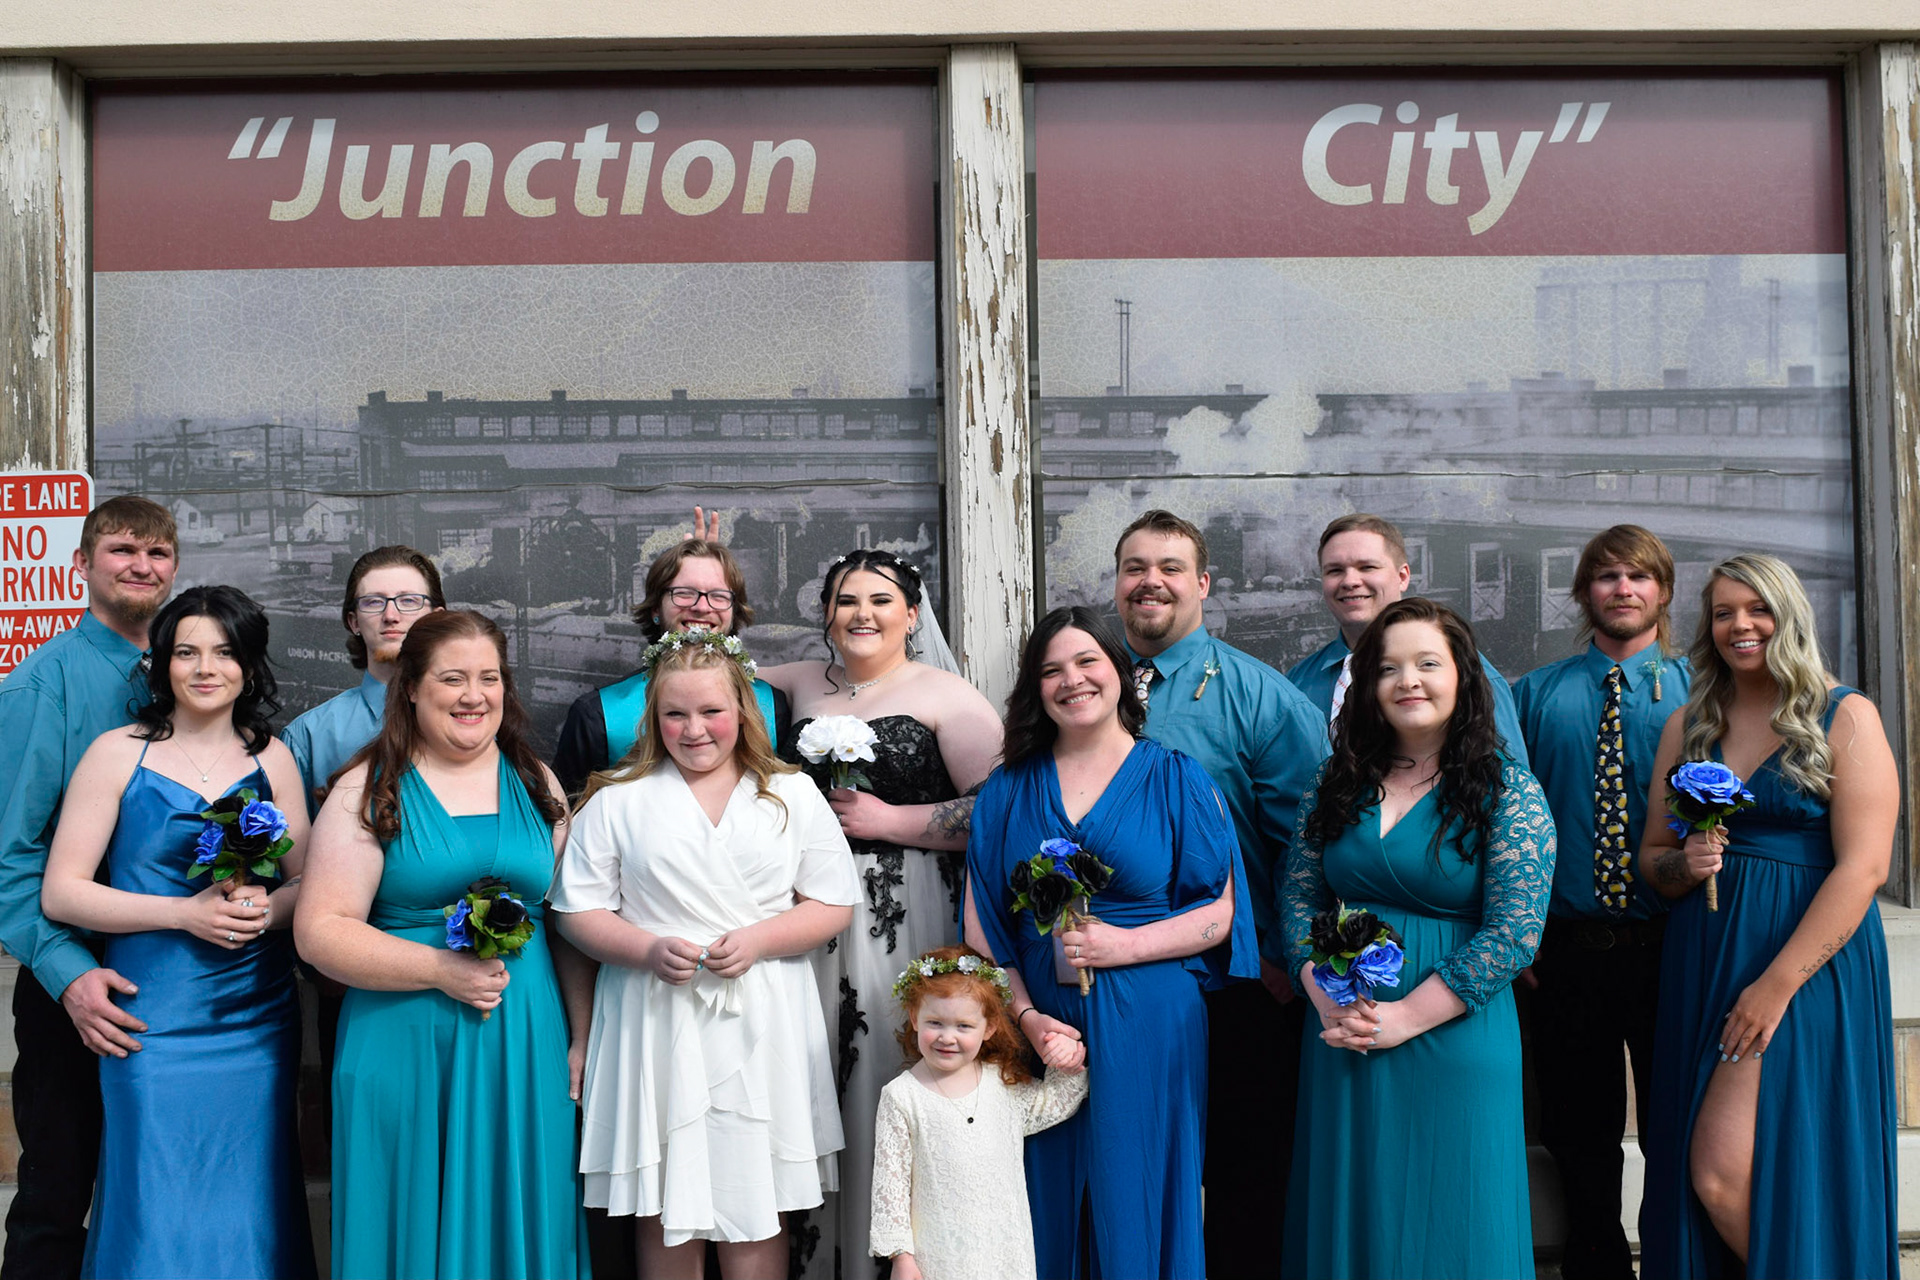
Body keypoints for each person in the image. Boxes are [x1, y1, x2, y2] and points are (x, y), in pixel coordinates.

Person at [549, 633, 859, 1278]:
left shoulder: (791, 793)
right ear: (653, 718)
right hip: (653, 1011)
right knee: (665, 1202)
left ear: (743, 710)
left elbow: (832, 903)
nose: (693, 730)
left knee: (756, 1197)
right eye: (675, 714)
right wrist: (644, 948)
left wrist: (760, 939)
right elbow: (576, 911)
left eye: (711, 711)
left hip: (763, 1010)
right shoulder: (617, 798)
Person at [295, 610, 589, 1280]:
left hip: (525, 1041)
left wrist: (580, 1034)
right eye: (452, 679)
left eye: (489, 678)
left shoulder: (537, 782)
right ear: (411, 689)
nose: (473, 695)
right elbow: (320, 931)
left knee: (521, 1214)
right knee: (412, 1222)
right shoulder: (368, 789)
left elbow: (563, 921)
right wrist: (438, 969)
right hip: (407, 1042)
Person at [966, 605, 1258, 1279]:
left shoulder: (1178, 778)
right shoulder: (1008, 788)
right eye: (1051, 670)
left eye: (1086, 661)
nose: (1071, 680)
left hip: (1151, 1021)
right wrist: (1028, 1019)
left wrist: (1125, 947)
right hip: (1043, 1030)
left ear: (1121, 672)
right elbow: (984, 929)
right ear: (1036, 688)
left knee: (1138, 1194)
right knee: (1043, 1203)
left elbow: (1219, 915)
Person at [40, 586, 313, 1280]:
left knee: (251, 1196)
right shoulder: (115, 754)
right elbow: (63, 891)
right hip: (151, 1014)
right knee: (151, 1193)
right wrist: (183, 914)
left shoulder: (273, 758)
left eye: (224, 652)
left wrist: (263, 912)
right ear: (162, 664)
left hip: (255, 1019)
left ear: (249, 665)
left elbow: (309, 888)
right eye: (187, 652)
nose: (205, 668)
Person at [1638, 553, 1897, 1279]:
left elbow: (1865, 868)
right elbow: (1652, 859)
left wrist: (1774, 988)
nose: (1740, 625)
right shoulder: (1689, 725)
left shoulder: (1846, 715)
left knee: (1721, 1171)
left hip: (1804, 968)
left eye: (1757, 609)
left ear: (1790, 617)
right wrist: (1685, 864)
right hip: (1705, 960)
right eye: (1723, 612)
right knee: (1713, 1176)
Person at [1281, 596, 1554, 1280]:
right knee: (1356, 1214)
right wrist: (1324, 996)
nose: (1408, 681)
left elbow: (1515, 933)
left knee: (1454, 1218)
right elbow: (1299, 899)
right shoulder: (1335, 782)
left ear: (1462, 677)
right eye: (1388, 668)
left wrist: (1404, 1017)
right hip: (1344, 1032)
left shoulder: (1508, 791)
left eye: (1428, 664)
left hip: (1453, 1034)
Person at [759, 547, 1003, 1278]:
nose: (861, 614)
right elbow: (706, 675)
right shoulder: (798, 682)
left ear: (911, 613)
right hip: (809, 912)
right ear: (825, 613)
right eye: (845, 600)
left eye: (879, 600)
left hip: (907, 908)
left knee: (888, 1069)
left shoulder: (948, 696)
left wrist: (890, 821)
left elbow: (997, 811)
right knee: (815, 1070)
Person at [1108, 509, 1326, 1276]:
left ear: (1203, 584)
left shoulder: (1260, 696)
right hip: (1112, 979)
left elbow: (1310, 842)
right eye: (1135, 568)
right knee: (1130, 1175)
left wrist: (1282, 960)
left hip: (1239, 982)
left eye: (1170, 568)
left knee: (1245, 1183)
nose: (1151, 582)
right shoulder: (1082, 687)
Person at [0, 494, 178, 1280]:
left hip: (177, 974)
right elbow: (9, 857)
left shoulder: (190, 676)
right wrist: (69, 977)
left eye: (157, 553)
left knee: (159, 1190)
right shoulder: (41, 686)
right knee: (57, 1193)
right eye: (122, 550)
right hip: (73, 980)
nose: (141, 566)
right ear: (81, 563)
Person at [1511, 525, 1690, 1280]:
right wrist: (1514, 939)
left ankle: (1679, 1264)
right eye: (1607, 575)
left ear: (1663, 591)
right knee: (1578, 1137)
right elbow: (1501, 823)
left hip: (1675, 949)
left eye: (1639, 576)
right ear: (1584, 591)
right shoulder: (1533, 696)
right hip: (1565, 956)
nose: (1623, 589)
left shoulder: (1703, 694)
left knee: (1679, 1127)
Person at [869, 945, 1088, 1280]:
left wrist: (1067, 1058)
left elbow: (1055, 1102)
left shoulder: (1002, 1084)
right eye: (935, 1022)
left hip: (1005, 1251)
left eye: (963, 1026)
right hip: (940, 1257)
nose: (947, 1037)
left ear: (989, 1027)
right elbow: (891, 1186)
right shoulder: (901, 1097)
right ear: (914, 1018)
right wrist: (902, 1258)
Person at [553, 534, 790, 797]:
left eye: (718, 595)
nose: (702, 607)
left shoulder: (773, 707)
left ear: (734, 610)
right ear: (655, 609)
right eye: (684, 593)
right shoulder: (598, 715)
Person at [1288, 513, 1528, 768]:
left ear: (1402, 577)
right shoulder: (1297, 684)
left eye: (1367, 567)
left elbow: (1507, 781)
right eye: (1335, 570)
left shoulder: (1467, 673)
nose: (1350, 581)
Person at [284, 544, 446, 817]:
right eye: (373, 602)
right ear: (354, 622)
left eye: (409, 601)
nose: (391, 616)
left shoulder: (475, 720)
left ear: (436, 617)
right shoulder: (308, 738)